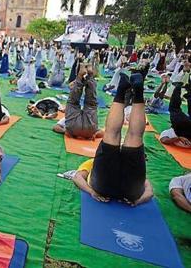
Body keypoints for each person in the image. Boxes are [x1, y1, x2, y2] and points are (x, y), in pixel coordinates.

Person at [72, 71, 153, 206]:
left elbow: (77, 177)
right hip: (130, 191)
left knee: (114, 134)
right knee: (132, 136)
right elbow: (149, 191)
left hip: (104, 187)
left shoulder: (90, 163)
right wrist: (139, 200)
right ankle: (137, 92)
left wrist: (91, 191)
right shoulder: (93, 163)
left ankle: (122, 90)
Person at [54, 65, 103, 139]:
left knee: (74, 103)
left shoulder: (65, 119)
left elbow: (55, 127)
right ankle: (90, 76)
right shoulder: (88, 119)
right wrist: (94, 134)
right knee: (91, 104)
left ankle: (81, 75)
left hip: (74, 128)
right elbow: (102, 133)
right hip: (89, 130)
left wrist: (65, 131)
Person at [159, 82, 191, 148]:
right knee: (174, 108)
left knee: (175, 108)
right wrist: (179, 138)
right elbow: (164, 140)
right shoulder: (170, 132)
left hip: (181, 128)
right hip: (180, 128)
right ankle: (179, 87)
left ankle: (185, 91)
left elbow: (164, 140)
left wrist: (178, 138)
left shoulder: (168, 133)